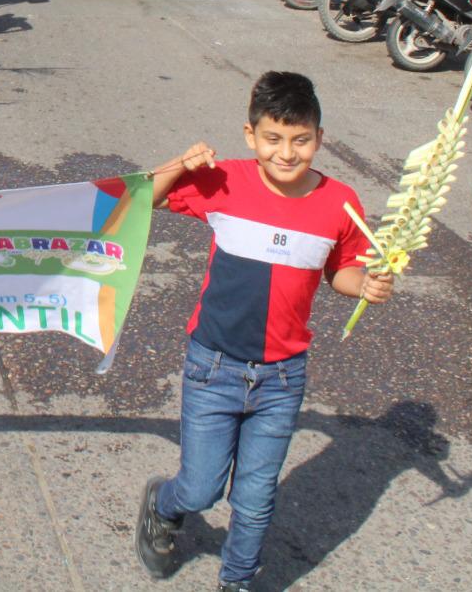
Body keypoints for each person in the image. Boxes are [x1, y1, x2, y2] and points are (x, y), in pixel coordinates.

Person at [134, 71, 394, 591]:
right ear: (251, 136)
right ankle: (163, 505)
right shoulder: (224, 179)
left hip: (281, 378)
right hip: (213, 366)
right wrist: (179, 165)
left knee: (255, 501)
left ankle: (237, 580)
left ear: (319, 138)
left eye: (301, 140)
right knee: (201, 488)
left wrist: (364, 285)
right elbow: (147, 198)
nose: (287, 153)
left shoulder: (340, 204)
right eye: (273, 139)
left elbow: (340, 270)